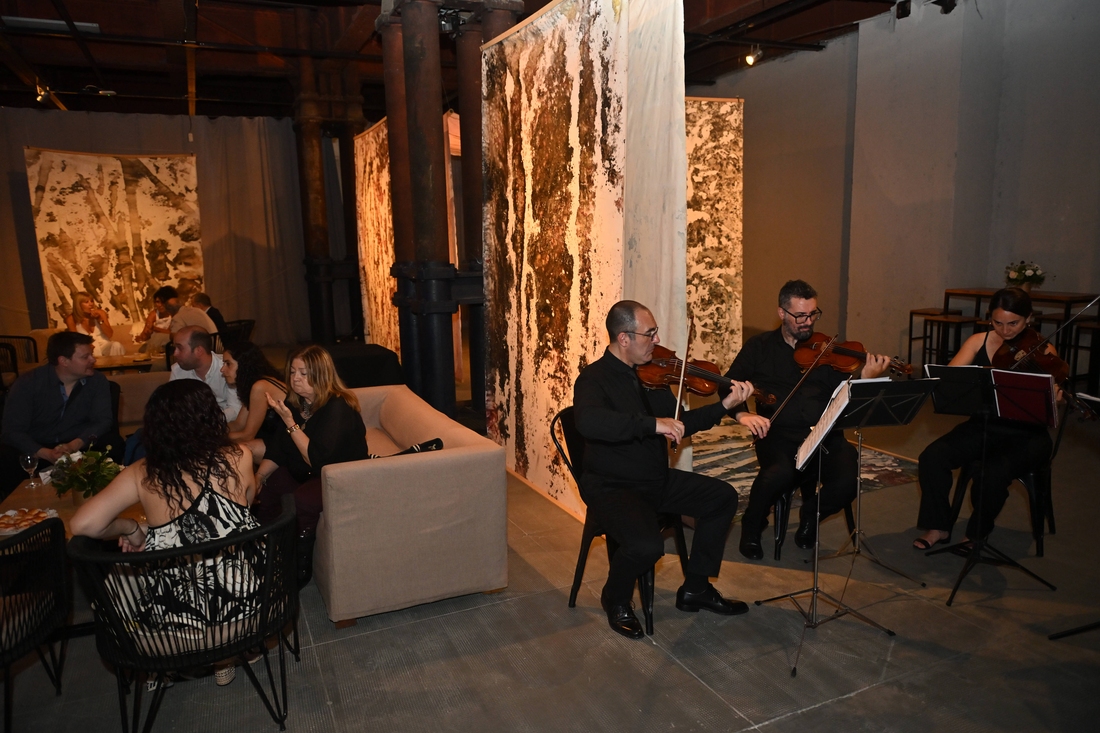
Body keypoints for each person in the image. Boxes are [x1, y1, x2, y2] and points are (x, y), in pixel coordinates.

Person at [573, 300, 756, 640]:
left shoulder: (652, 376)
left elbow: (679, 424)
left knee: (722, 498)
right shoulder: (594, 379)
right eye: (650, 334)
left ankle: (696, 588)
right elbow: (589, 421)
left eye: (656, 332)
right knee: (647, 547)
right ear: (624, 338)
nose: (657, 340)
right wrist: (651, 424)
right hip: (612, 485)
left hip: (655, 479)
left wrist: (724, 406)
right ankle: (615, 597)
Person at [70, 380, 260, 687]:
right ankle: (224, 657)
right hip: (252, 613)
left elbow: (82, 525)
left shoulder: (143, 472)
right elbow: (241, 514)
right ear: (211, 417)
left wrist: (132, 528)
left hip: (174, 635)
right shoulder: (240, 455)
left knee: (122, 575)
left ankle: (162, 669)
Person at [723, 280, 891, 560]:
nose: (808, 322)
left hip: (824, 434)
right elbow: (728, 386)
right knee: (777, 475)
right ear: (782, 313)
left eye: (813, 314)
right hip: (777, 434)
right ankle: (753, 525)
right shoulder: (759, 347)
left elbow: (845, 395)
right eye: (800, 316)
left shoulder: (828, 351)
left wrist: (864, 378)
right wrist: (743, 413)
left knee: (848, 481)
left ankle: (811, 514)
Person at [912, 287, 1058, 550]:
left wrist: (1055, 397)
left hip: (1027, 435)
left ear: (1028, 318)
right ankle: (938, 526)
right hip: (983, 425)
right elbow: (949, 381)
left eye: (1013, 323)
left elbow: (1050, 401)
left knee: (991, 473)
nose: (1005, 331)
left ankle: (976, 534)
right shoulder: (977, 342)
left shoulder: (1043, 350)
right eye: (997, 322)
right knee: (932, 457)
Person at [254, 345, 368, 585]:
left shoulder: (338, 406)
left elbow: (316, 459)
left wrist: (289, 422)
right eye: (292, 372)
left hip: (337, 476)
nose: (295, 378)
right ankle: (266, 549)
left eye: (304, 374)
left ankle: (299, 567)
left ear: (321, 375)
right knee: (268, 487)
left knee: (302, 500)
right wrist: (259, 477)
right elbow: (278, 447)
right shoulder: (297, 402)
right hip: (305, 472)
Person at [1, 331, 122, 498]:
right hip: (38, 445)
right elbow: (12, 430)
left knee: (113, 443)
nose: (93, 360)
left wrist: (74, 445)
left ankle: (104, 498)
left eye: (91, 354)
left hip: (79, 443)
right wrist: (44, 452)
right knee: (5, 455)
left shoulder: (97, 381)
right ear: (63, 361)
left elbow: (102, 421)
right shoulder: (28, 383)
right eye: (85, 357)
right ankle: (21, 503)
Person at [222, 341, 287, 463]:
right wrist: (212, 429)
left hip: (287, 443)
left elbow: (248, 435)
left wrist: (211, 437)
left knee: (236, 450)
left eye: (228, 364)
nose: (222, 369)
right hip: (274, 438)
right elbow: (238, 424)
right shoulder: (253, 384)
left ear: (243, 364)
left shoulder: (260, 386)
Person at [170, 327, 242, 422]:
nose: (175, 353)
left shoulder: (228, 368)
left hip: (224, 424)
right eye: (174, 348)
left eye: (180, 348)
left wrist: (206, 422)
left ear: (199, 351)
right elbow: (173, 406)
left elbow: (235, 409)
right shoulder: (178, 370)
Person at [65, 291, 124, 356]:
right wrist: (86, 345)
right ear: (78, 305)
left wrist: (99, 319)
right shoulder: (71, 319)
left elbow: (110, 334)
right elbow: (74, 340)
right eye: (86, 302)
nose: (91, 304)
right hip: (86, 347)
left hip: (105, 345)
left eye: (92, 301)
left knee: (116, 345)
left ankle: (117, 362)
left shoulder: (101, 313)